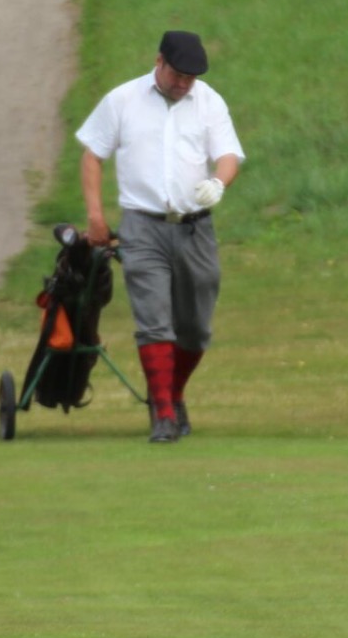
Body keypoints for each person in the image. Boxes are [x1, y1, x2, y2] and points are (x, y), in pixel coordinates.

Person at [77, 30, 245, 443]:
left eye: (191, 77)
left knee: (196, 328)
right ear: (159, 62)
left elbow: (228, 155)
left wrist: (219, 182)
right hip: (142, 226)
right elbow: (93, 155)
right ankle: (163, 415)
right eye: (177, 74)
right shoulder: (123, 100)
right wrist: (96, 216)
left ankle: (173, 393)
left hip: (194, 227)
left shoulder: (209, 101)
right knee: (154, 323)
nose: (184, 83)